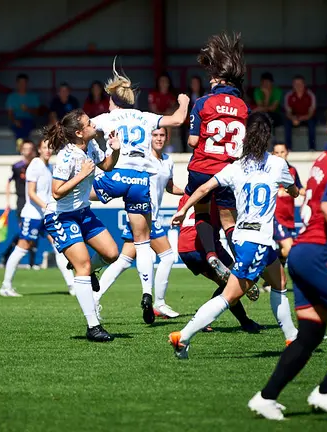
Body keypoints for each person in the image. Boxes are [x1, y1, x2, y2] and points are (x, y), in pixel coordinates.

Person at [248, 95, 327, 422]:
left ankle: (266, 397)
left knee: (310, 335)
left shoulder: (322, 160)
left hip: (302, 253)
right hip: (318, 252)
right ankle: (326, 391)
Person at [168, 112, 300, 359]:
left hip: (242, 237)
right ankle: (182, 336)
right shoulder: (279, 165)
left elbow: (205, 187)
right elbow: (293, 191)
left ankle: (292, 337)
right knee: (229, 296)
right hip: (258, 239)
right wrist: (293, 190)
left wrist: (184, 208)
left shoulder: (236, 167)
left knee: (279, 281)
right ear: (268, 137)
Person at [90, 60, 190, 323]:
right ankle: (148, 293)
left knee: (76, 193)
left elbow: (83, 130)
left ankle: (66, 217)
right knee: (143, 244)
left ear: (113, 101)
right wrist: (183, 101)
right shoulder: (146, 117)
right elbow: (179, 119)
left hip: (116, 175)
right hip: (139, 181)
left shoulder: (107, 117)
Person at [43, 109, 121, 342]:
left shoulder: (92, 146)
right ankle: (93, 326)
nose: (93, 124)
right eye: (89, 123)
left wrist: (115, 150)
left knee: (112, 253)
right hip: (61, 216)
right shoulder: (66, 157)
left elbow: (107, 166)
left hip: (83, 212)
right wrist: (82, 175)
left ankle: (81, 268)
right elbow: (56, 193)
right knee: (84, 266)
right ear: (79, 132)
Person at [94, 127, 183, 321]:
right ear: (149, 138)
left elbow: (168, 187)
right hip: (143, 214)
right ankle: (158, 302)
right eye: (155, 135)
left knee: (124, 261)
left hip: (150, 214)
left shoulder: (167, 161)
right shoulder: (142, 159)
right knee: (167, 256)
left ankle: (95, 296)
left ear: (167, 138)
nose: (158, 139)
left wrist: (189, 192)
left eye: (162, 135)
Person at [185, 32, 249, 283]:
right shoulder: (244, 106)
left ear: (218, 79)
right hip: (227, 171)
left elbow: (191, 141)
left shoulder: (202, 102)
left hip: (201, 167)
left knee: (201, 213)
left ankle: (211, 254)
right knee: (227, 219)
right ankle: (242, 263)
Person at [176, 194, 264, 333]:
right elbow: (228, 222)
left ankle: (246, 322)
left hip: (184, 246)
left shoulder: (189, 194)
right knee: (233, 284)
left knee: (228, 285)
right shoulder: (217, 193)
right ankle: (203, 319)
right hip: (204, 245)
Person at [0, 139, 75, 297]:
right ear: (39, 150)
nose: (48, 150)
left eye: (50, 147)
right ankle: (6, 286)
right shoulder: (35, 165)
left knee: (59, 247)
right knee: (22, 249)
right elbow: (31, 193)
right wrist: (45, 205)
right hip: (33, 215)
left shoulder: (49, 167)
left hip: (46, 215)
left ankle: (72, 285)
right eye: (44, 147)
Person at [0, 141, 37, 267]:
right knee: (25, 230)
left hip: (35, 200)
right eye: (25, 148)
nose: (27, 151)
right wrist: (7, 201)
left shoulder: (37, 165)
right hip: (22, 201)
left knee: (33, 229)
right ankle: (7, 255)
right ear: (22, 150)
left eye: (29, 149)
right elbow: (8, 182)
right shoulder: (16, 167)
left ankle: (31, 262)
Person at [272, 143, 305, 265]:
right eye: (277, 152)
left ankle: (270, 281)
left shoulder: (292, 170)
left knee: (285, 251)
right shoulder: (270, 171)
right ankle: (264, 264)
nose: (280, 155)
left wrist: (311, 192)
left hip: (289, 217)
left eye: (282, 152)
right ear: (273, 154)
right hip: (275, 216)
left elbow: (299, 188)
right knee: (289, 248)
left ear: (287, 153)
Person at [284, 76, 318, 150]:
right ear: (293, 85)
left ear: (304, 84)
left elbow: (311, 113)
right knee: (287, 123)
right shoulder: (289, 95)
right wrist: (293, 119)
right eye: (296, 84)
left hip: (307, 118)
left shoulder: (310, 95)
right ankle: (288, 148)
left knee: (312, 123)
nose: (298, 86)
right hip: (294, 118)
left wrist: (300, 119)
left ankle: (312, 148)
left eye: (300, 83)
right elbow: (288, 112)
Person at [6, 74, 40, 141]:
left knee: (26, 126)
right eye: (20, 83)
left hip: (29, 121)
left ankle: (23, 146)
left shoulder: (33, 96)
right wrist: (15, 121)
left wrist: (28, 109)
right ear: (17, 84)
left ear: (27, 84)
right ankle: (23, 145)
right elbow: (10, 113)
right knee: (18, 127)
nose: (22, 85)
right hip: (16, 120)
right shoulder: (11, 97)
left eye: (24, 82)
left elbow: (38, 112)